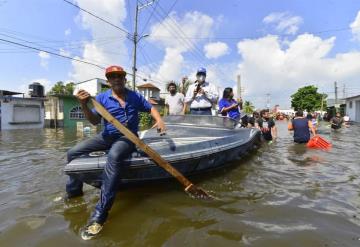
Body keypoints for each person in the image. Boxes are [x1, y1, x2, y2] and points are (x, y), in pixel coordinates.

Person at [65, 65, 166, 240]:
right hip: (106, 136)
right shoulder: (102, 98)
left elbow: (150, 108)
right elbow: (95, 121)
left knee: (114, 155)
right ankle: (74, 192)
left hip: (128, 138)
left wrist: (159, 120)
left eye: (119, 76)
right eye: (112, 77)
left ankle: (100, 215)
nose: (116, 79)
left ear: (124, 79)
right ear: (108, 81)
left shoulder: (134, 96)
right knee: (72, 153)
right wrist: (83, 104)